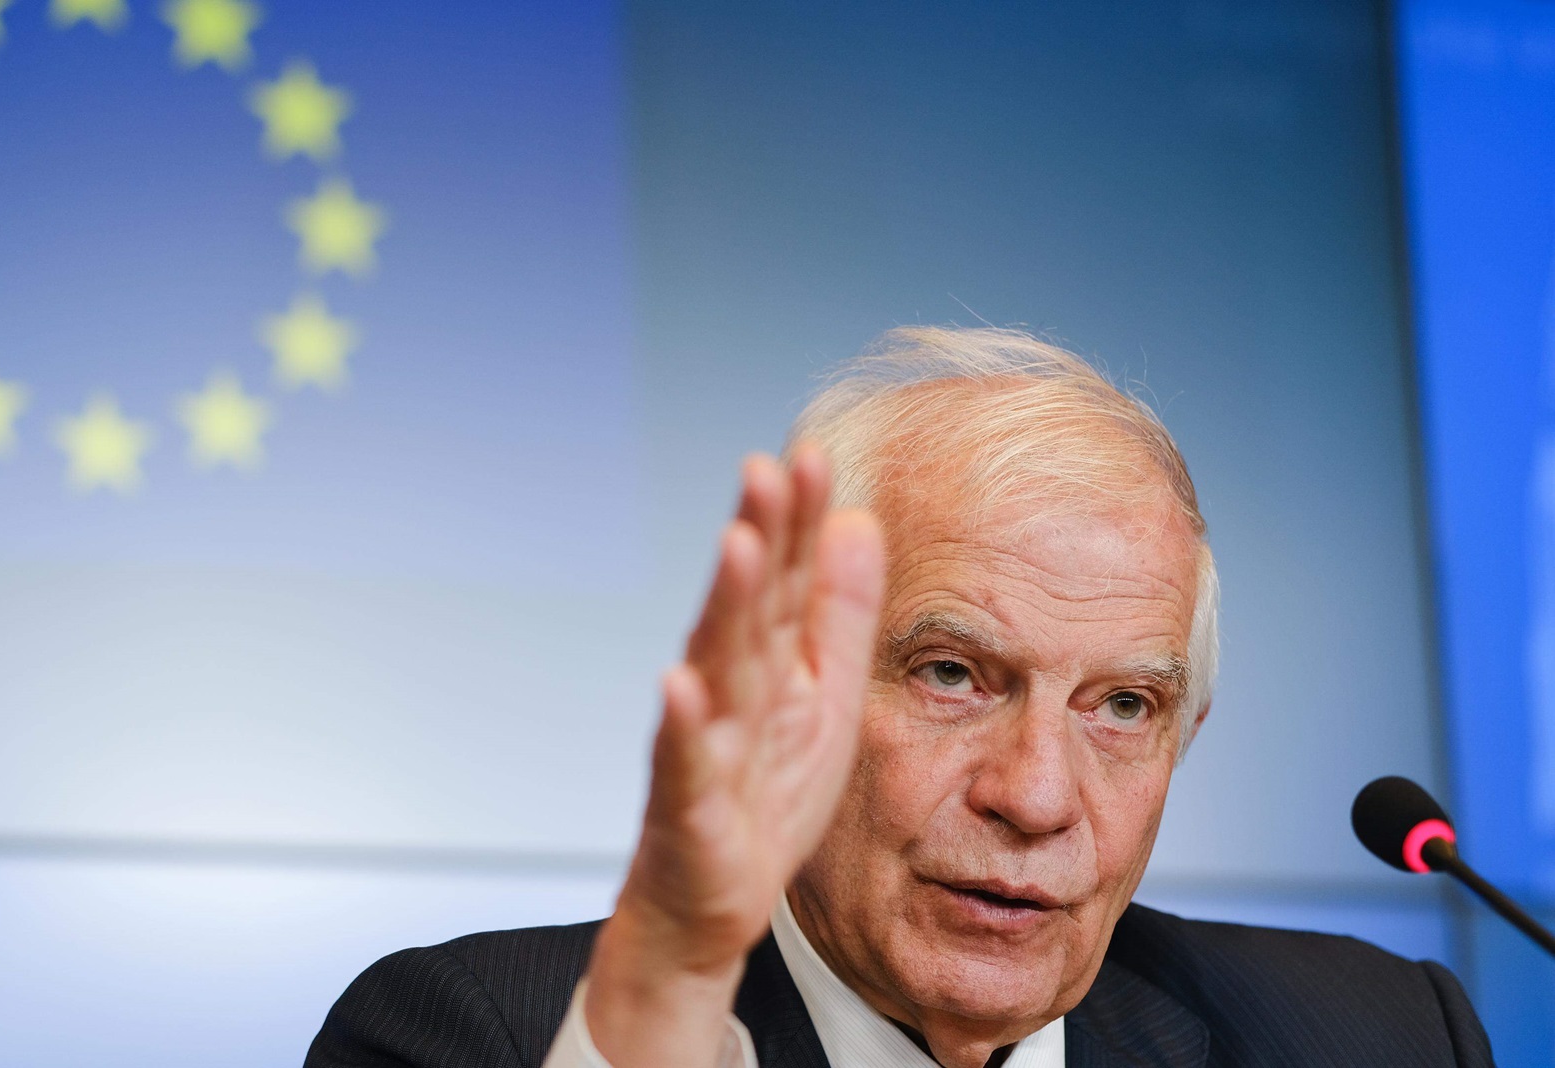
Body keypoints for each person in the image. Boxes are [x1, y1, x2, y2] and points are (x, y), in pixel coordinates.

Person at [306, 327, 1494, 1068]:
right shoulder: (466, 1036)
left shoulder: (1377, 1036)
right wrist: (666, 999)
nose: (1036, 797)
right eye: (952, 674)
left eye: (1123, 706)